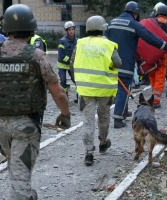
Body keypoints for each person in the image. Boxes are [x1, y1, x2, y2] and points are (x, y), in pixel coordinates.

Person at [0, 4, 71, 199]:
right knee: (20, 178)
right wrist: (65, 115)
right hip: (26, 127)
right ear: (31, 28)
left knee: (16, 171)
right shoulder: (36, 55)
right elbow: (58, 93)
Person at [105, 1, 167, 128]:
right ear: (135, 13)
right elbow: (150, 38)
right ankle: (118, 119)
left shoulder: (111, 23)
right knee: (124, 89)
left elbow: (104, 40)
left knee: (119, 89)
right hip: (126, 63)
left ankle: (123, 111)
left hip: (110, 63)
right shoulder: (134, 24)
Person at [71, 15, 122, 166]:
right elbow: (118, 63)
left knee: (87, 121)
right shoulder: (109, 45)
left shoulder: (80, 43)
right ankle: (103, 143)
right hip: (105, 90)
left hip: (85, 90)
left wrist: (78, 81)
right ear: (102, 28)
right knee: (103, 117)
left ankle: (88, 153)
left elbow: (72, 63)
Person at [58, 21, 78, 98]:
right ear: (66, 31)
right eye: (69, 30)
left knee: (75, 80)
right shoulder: (62, 41)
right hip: (62, 65)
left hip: (72, 65)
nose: (71, 31)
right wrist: (69, 60)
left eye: (72, 29)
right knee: (63, 81)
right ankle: (65, 97)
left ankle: (78, 96)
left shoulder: (78, 41)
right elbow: (61, 55)